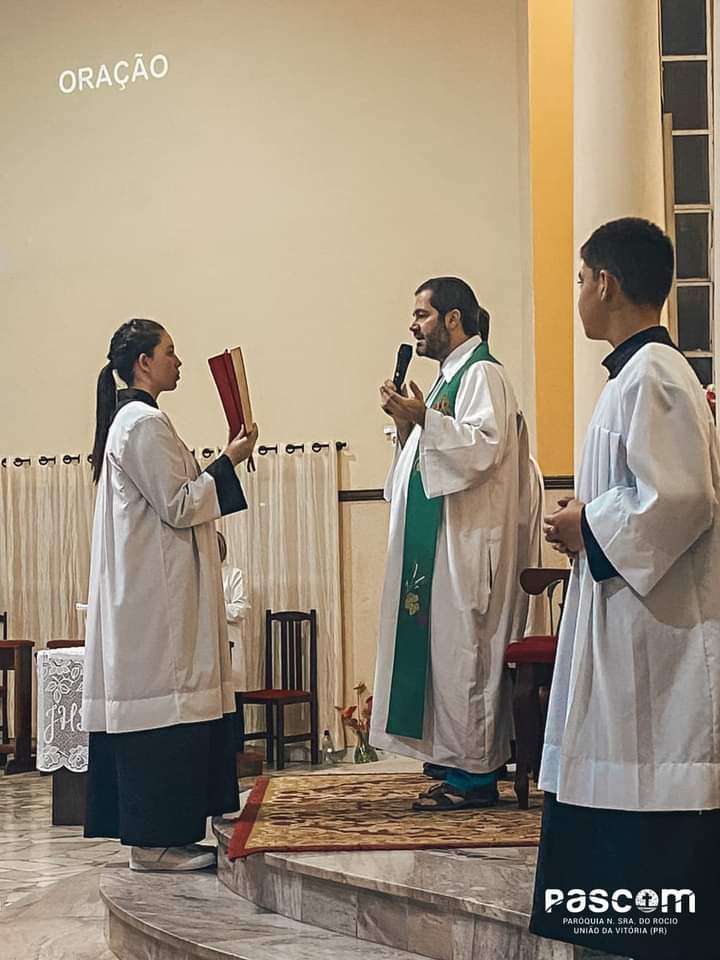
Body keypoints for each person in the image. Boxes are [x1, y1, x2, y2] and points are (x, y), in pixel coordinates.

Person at [531, 218, 720, 958]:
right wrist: (589, 518)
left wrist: (586, 524)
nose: (579, 293)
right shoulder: (635, 376)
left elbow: (682, 497)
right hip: (625, 619)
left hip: (655, 631)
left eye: (581, 279)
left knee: (646, 780)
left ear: (606, 282)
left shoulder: (654, 376)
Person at [83, 318, 258, 872]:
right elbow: (179, 504)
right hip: (155, 605)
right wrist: (229, 459)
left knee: (174, 713)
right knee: (164, 714)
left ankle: (166, 838)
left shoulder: (138, 421)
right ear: (144, 362)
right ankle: (155, 843)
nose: (178, 362)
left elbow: (173, 500)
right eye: (170, 352)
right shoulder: (141, 424)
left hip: (157, 593)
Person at [370, 277, 533, 810]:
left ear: (453, 318)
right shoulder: (450, 378)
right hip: (443, 547)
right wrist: (409, 424)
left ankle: (475, 778)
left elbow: (483, 448)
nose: (413, 326)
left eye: (422, 315)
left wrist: (424, 419)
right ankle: (454, 760)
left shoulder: (482, 373)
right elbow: (428, 454)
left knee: (468, 656)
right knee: (446, 656)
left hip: (469, 547)